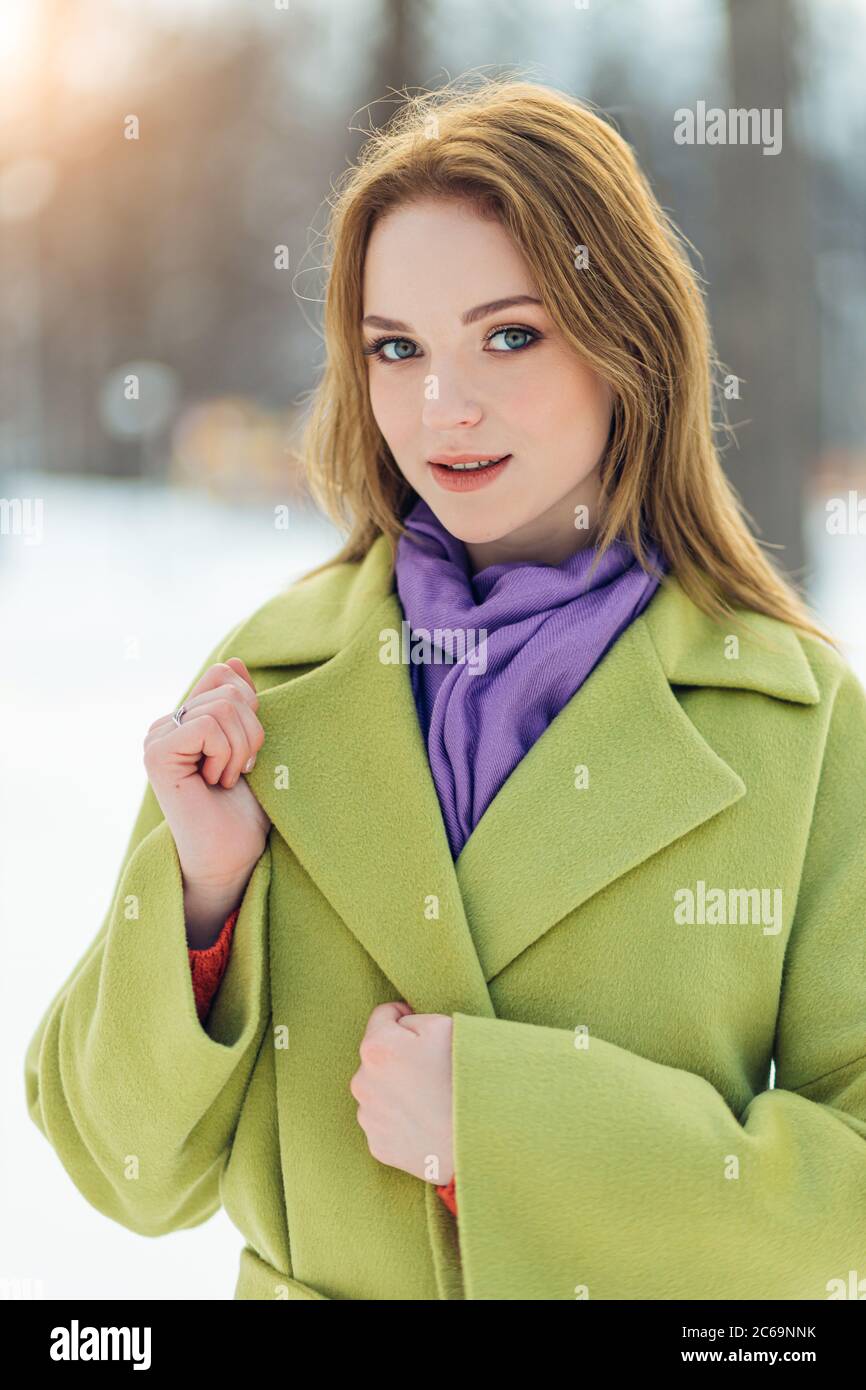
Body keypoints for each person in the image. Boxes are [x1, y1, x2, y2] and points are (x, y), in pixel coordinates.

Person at [24, 75, 866, 1301]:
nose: (443, 406)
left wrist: (509, 1129)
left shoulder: (800, 725)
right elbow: (122, 1167)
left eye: (508, 334)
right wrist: (202, 902)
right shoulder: (266, 685)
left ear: (623, 336)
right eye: (396, 348)